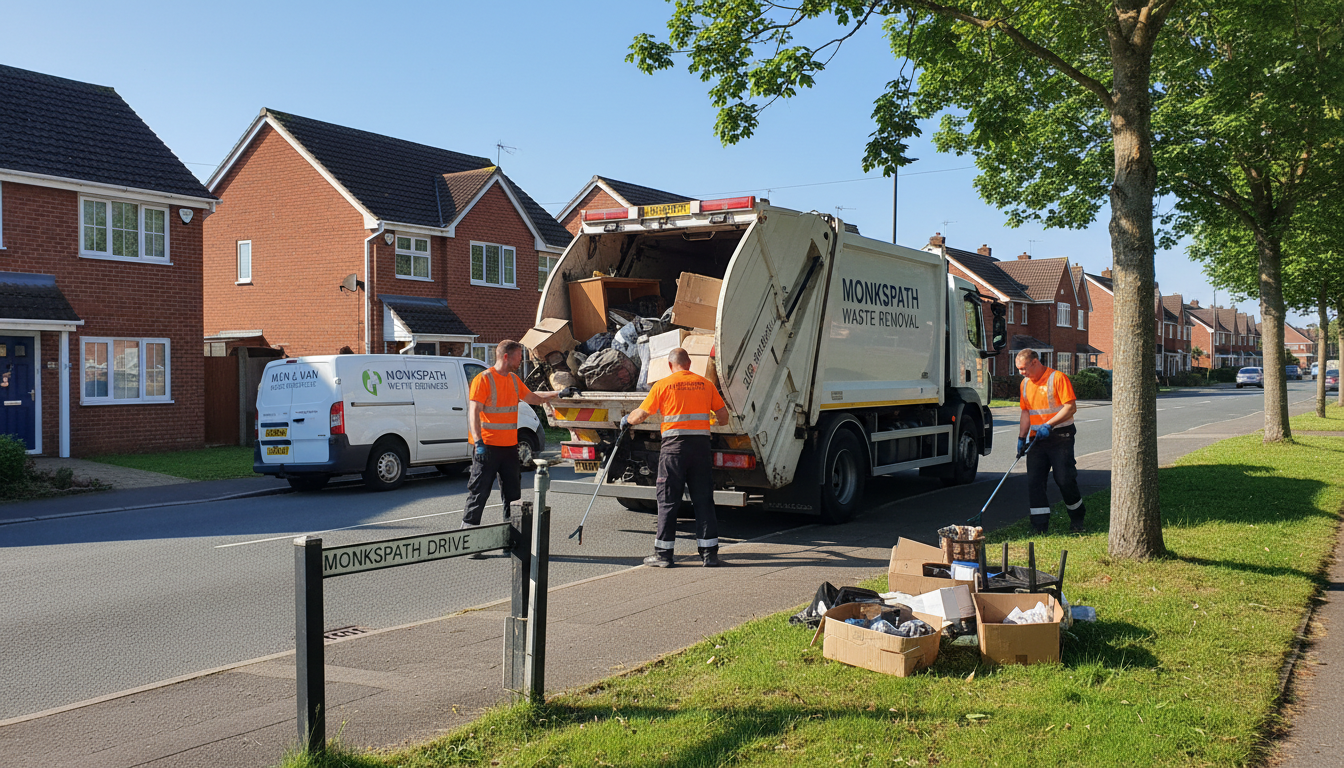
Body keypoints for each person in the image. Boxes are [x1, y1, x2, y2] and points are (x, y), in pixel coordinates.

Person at [625, 348, 732, 568]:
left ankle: (664, 555)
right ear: (690, 363)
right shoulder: (705, 384)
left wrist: (627, 420)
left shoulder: (662, 385)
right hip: (701, 449)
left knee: (668, 500)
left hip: (674, 450)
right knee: (703, 500)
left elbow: (641, 415)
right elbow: (723, 418)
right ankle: (709, 554)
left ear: (670, 365)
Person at [464, 340, 574, 546]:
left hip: (508, 448)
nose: (521, 360)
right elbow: (474, 412)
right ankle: (468, 540)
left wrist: (558, 394)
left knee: (513, 496)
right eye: (518, 356)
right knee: (479, 492)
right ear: (506, 356)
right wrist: (478, 442)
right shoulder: (484, 379)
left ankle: (510, 541)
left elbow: (532, 397)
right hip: (487, 447)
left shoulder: (513, 380)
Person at [1015, 349, 1087, 534]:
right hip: (1036, 439)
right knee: (1035, 482)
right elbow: (1025, 412)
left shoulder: (1057, 378)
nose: (1021, 373)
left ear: (1035, 362)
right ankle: (1039, 525)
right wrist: (1022, 438)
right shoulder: (1024, 384)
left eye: (1023, 368)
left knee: (1064, 478)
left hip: (1060, 436)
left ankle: (1077, 518)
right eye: (1018, 369)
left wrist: (1049, 424)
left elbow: (1070, 408)